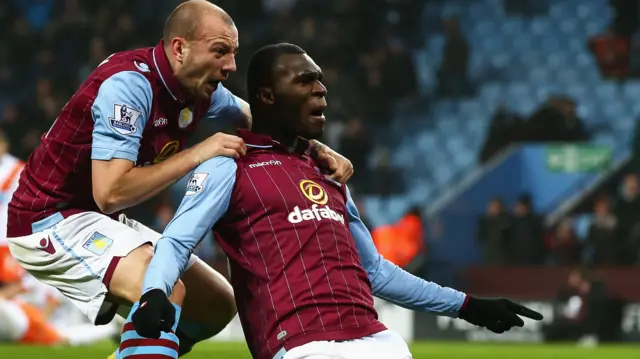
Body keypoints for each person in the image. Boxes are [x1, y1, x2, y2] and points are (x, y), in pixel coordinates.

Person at [130, 43, 543, 359]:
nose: (322, 90)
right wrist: (154, 294)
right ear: (267, 96)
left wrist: (468, 306)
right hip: (305, 346)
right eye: (306, 81)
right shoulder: (229, 163)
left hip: (379, 341)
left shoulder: (328, 170)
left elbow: (375, 271)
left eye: (321, 80)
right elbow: (179, 241)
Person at [5, 2, 353, 357]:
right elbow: (109, 192)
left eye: (233, 53)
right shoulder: (129, 86)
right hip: (49, 220)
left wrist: (316, 149)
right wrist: (199, 153)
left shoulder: (199, 90)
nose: (231, 66)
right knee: (164, 291)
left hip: (95, 217)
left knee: (215, 306)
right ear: (179, 48)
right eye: (220, 51)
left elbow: (259, 118)